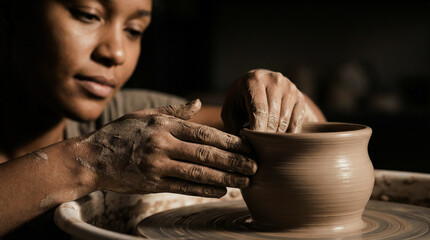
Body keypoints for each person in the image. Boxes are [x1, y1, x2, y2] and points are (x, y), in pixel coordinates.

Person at [0, 0, 325, 237]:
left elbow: (312, 128)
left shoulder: (124, 115)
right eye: (88, 15)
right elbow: (99, 152)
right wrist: (89, 160)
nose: (116, 52)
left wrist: (266, 95)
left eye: (134, 30)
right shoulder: (111, 138)